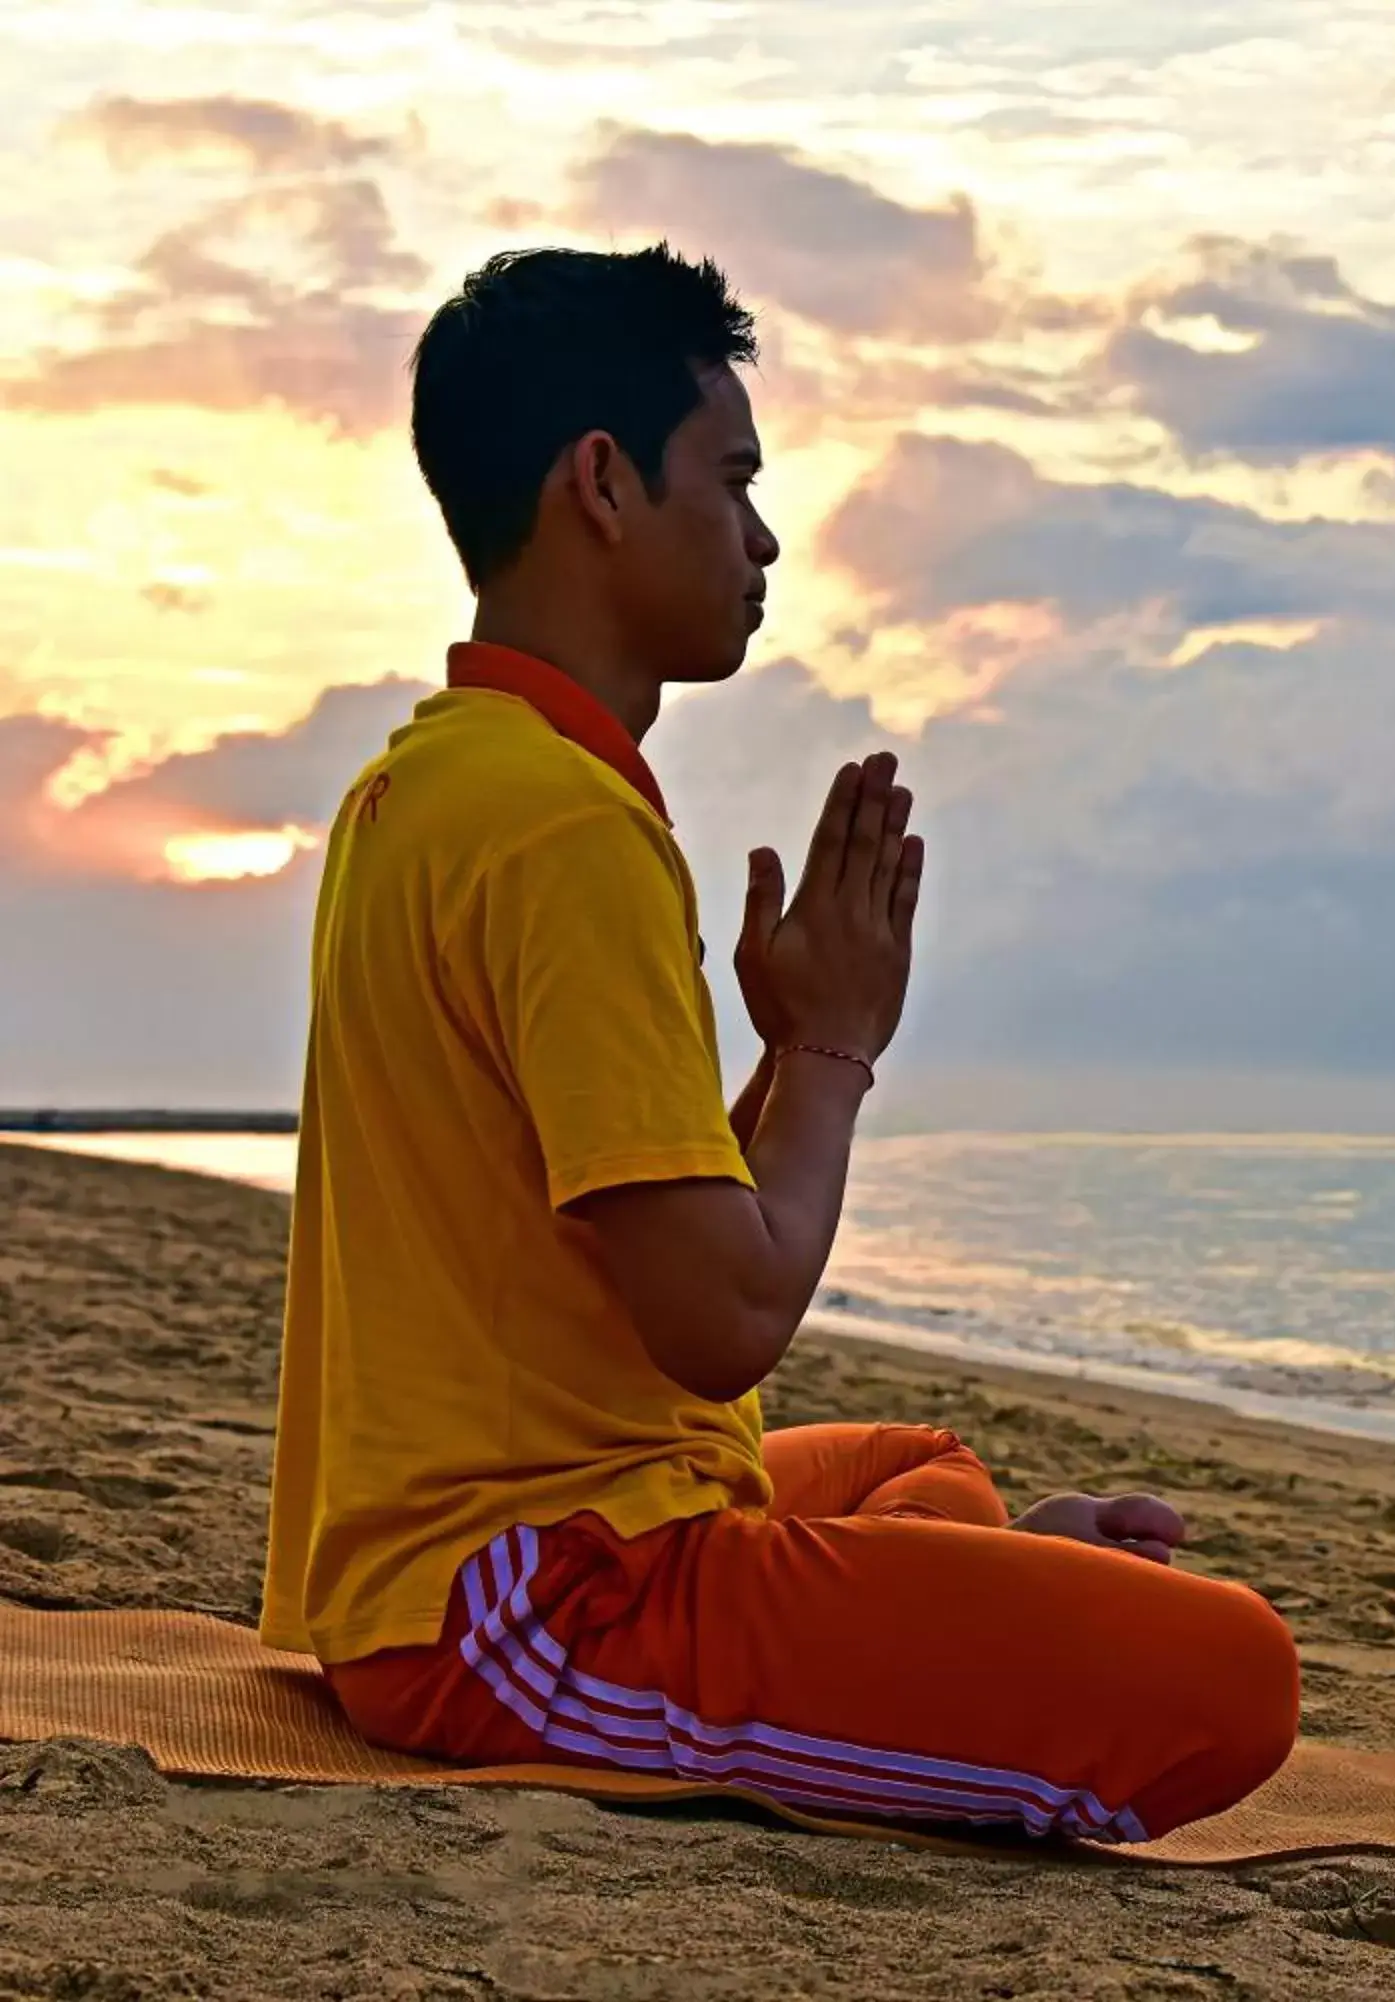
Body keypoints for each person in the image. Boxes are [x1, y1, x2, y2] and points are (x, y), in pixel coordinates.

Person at [256, 244, 1299, 1841]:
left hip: (491, 1546)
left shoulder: (435, 781)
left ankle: (956, 1602)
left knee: (919, 1462)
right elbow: (723, 1317)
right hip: (538, 1609)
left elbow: (610, 1242)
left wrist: (763, 1066)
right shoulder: (557, 828)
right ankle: (951, 1642)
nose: (763, 537)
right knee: (1234, 1673)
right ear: (600, 483)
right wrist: (830, 1053)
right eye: (731, 480)